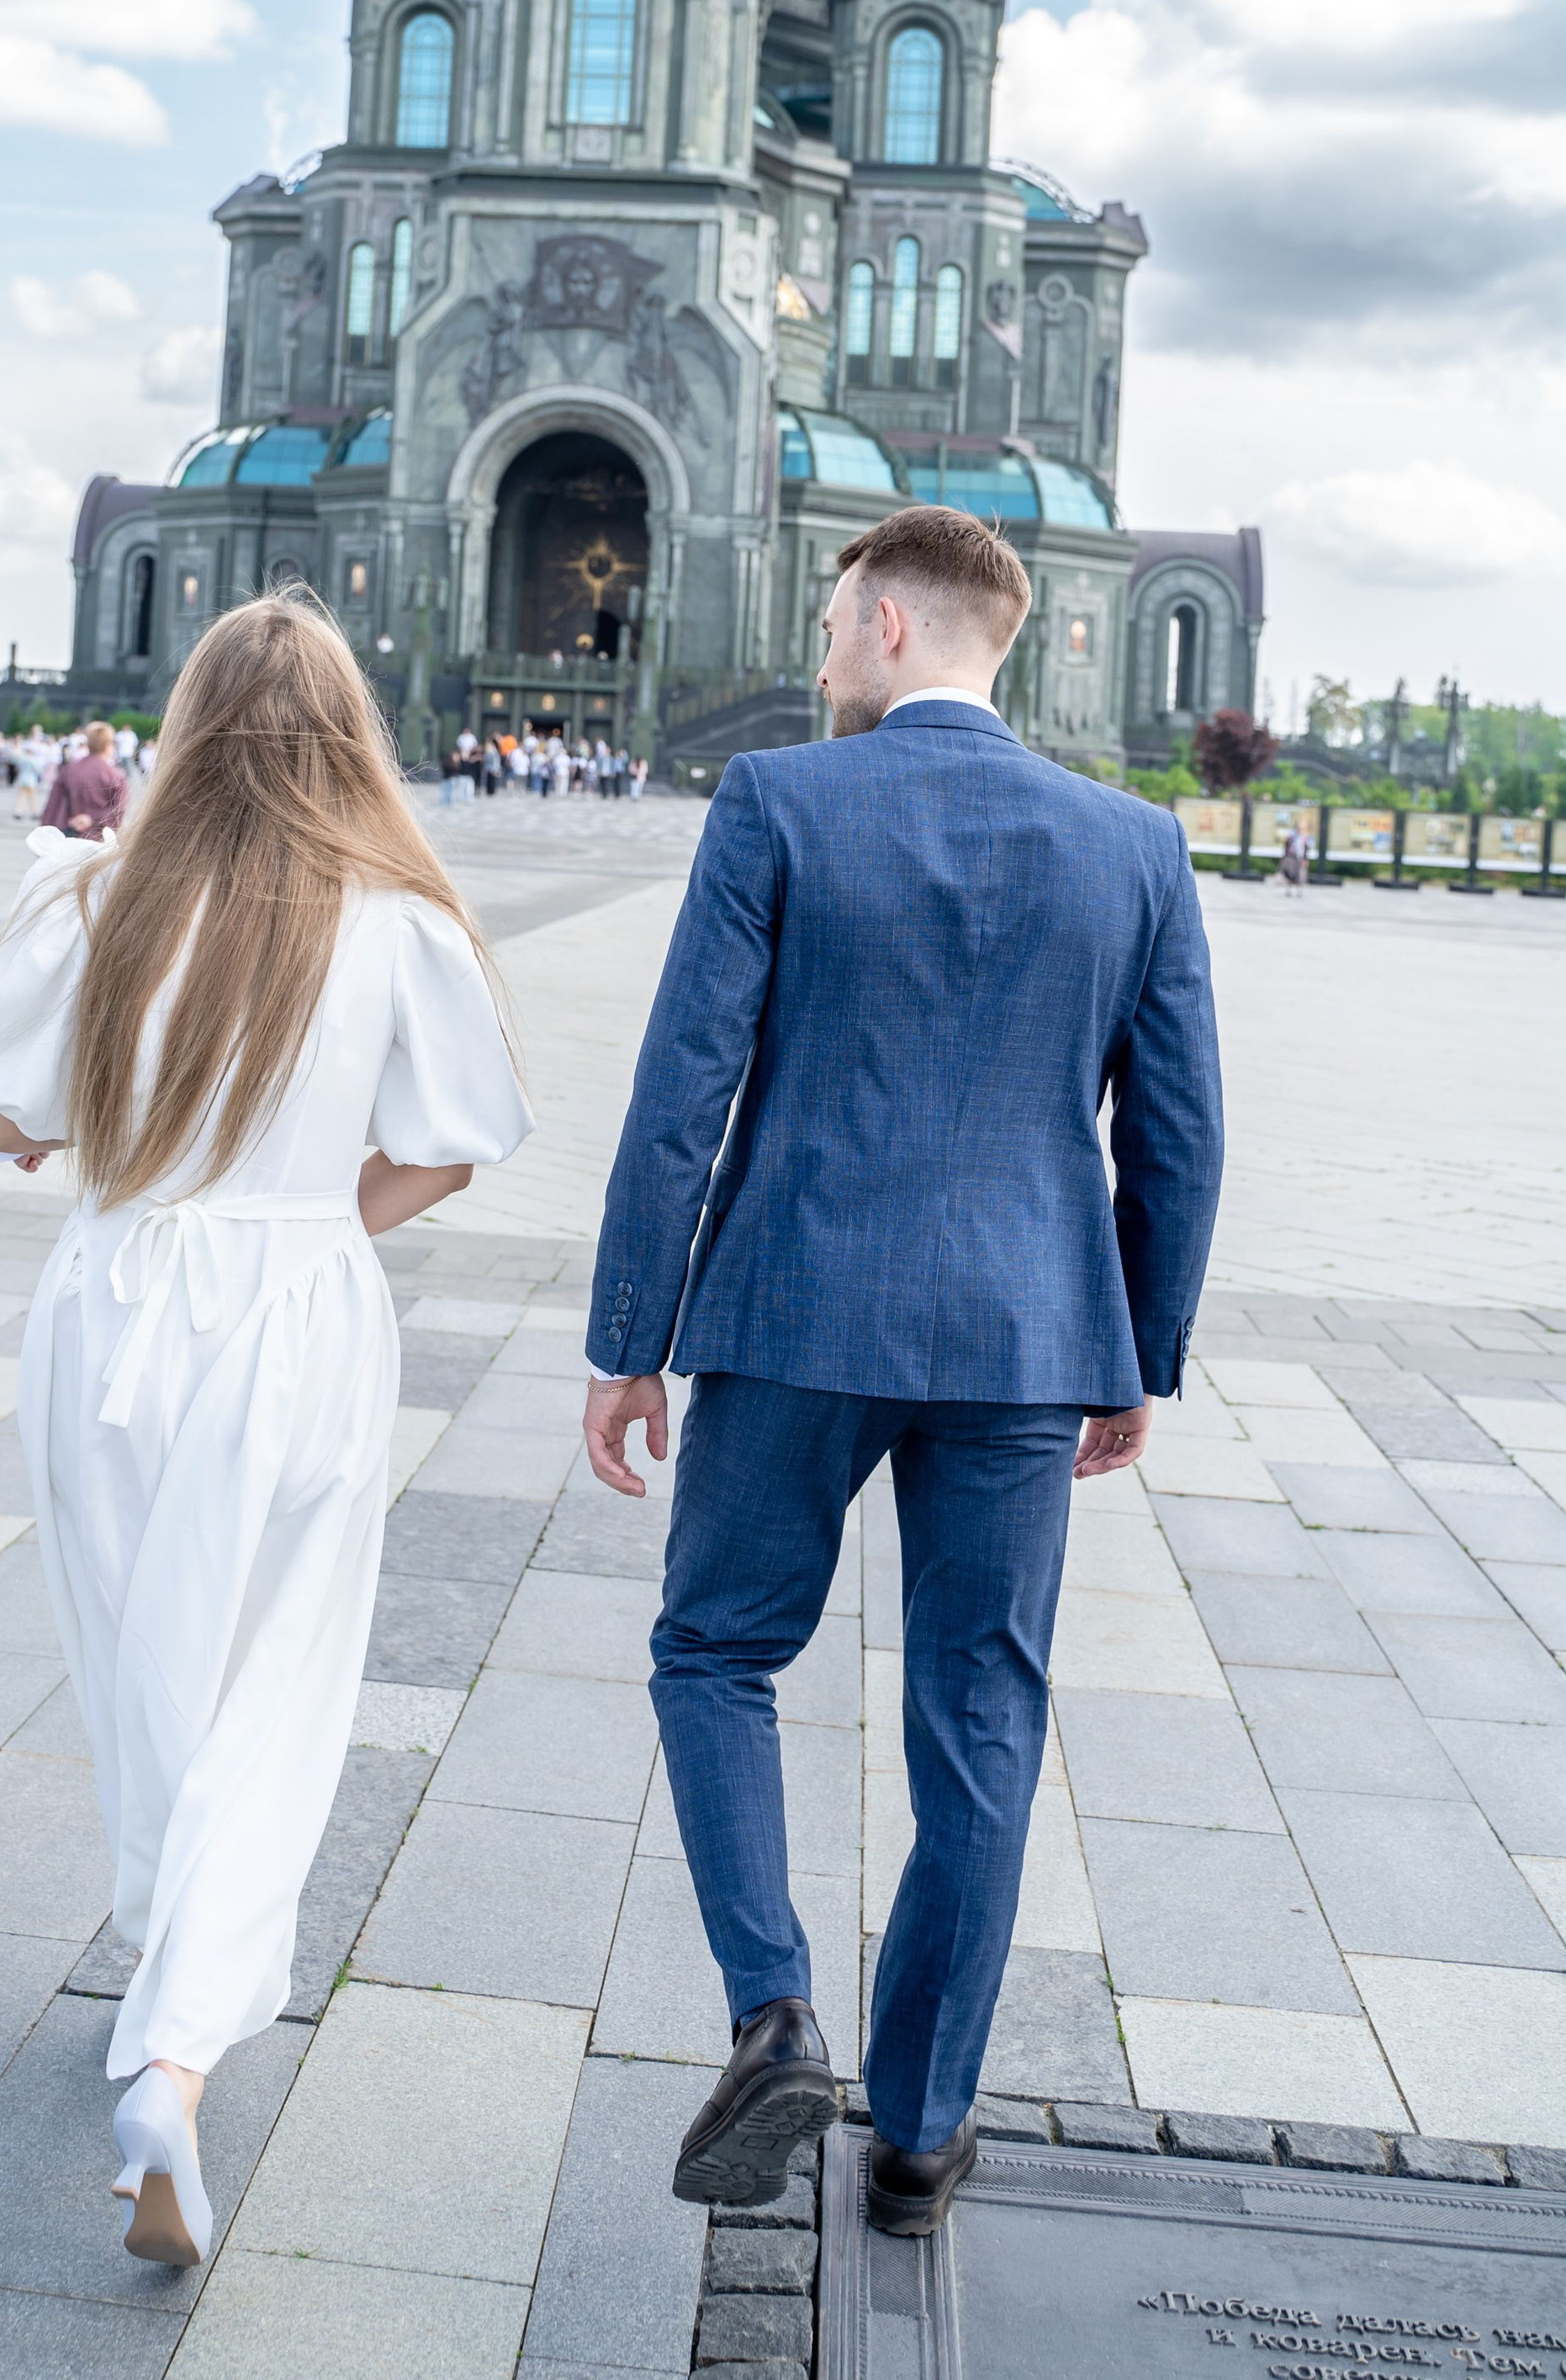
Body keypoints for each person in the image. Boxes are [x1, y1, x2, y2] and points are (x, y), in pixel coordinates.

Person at [582, 506, 1222, 2239]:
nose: (814, 646)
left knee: (714, 1649)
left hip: (791, 1314)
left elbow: (678, 1095)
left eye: (821, 618)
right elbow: (1172, 1135)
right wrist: (1136, 1352)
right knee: (981, 1719)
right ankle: (923, 2131)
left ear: (879, 624)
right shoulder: (1132, 846)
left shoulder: (780, 805)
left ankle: (772, 2011)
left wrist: (624, 1341)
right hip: (1024, 1341)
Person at [0, 594, 529, 2271]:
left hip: (111, 1284)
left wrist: (137, 1148)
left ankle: (160, 2005)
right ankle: (177, 2060)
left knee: (140, 1663)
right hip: (294, 1301)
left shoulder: (85, 890)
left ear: (187, 721)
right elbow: (455, 1140)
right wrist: (309, 1212)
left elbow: (6, 1115)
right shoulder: (392, 914)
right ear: (347, 733)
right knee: (276, 1671)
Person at [45, 719, 130, 840]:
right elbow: (120, 808)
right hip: (102, 841)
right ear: (108, 744)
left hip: (72, 836)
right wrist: (93, 819)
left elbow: (53, 805)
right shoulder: (116, 774)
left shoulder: (70, 769)